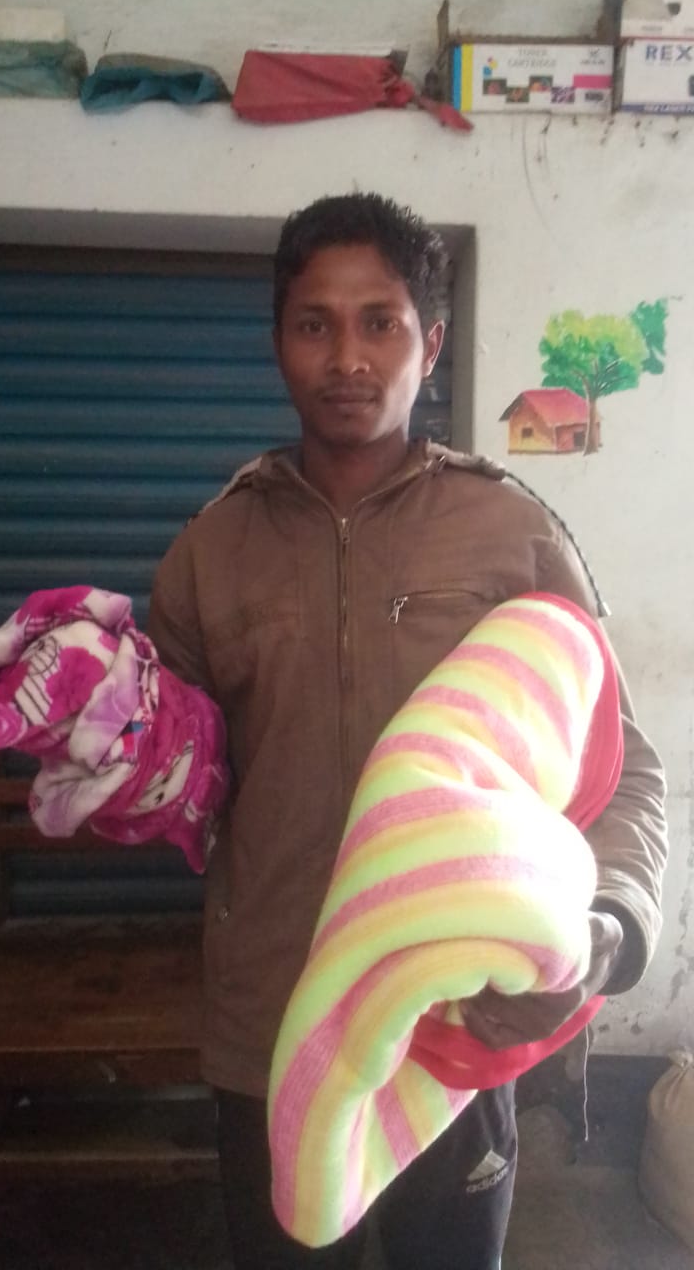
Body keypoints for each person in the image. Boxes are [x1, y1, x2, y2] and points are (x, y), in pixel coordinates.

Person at [146, 193, 668, 1270]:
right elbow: (176, 781)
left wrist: (605, 934)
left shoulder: (513, 532)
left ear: (430, 344)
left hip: (461, 1021)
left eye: (379, 322)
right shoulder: (210, 552)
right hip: (277, 1032)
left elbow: (625, 768)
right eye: (315, 323)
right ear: (278, 342)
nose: (348, 357)